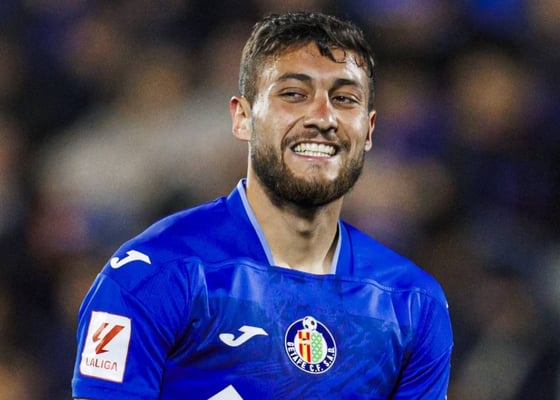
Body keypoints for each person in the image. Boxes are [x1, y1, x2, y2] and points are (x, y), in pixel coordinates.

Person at [72, 11, 453, 399]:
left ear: (368, 130)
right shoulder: (154, 274)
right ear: (242, 118)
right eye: (294, 94)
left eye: (344, 99)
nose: (323, 118)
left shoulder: (411, 303)